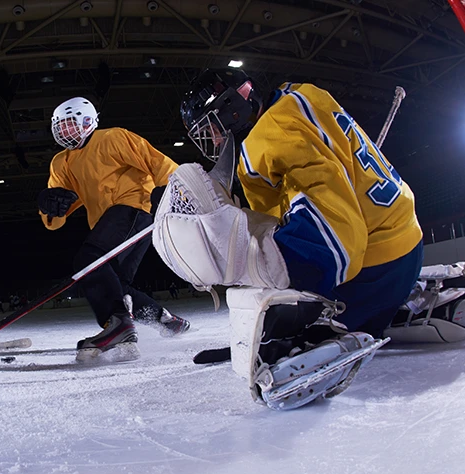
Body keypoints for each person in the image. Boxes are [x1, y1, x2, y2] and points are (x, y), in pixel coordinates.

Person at [152, 69, 426, 409]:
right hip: (405, 243)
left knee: (270, 316)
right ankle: (401, 302)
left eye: (211, 127)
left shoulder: (265, 141)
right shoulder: (301, 94)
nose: (214, 140)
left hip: (377, 268)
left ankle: (323, 336)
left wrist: (250, 266)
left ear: (230, 109)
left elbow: (336, 245)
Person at [39, 97, 191, 363]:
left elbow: (157, 162)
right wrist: (50, 207)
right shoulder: (60, 163)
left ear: (87, 122)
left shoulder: (113, 138)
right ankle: (164, 319)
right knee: (115, 283)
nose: (65, 133)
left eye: (69, 125)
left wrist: (175, 191)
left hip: (132, 208)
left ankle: (118, 326)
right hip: (109, 223)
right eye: (60, 128)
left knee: (89, 262)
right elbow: (57, 216)